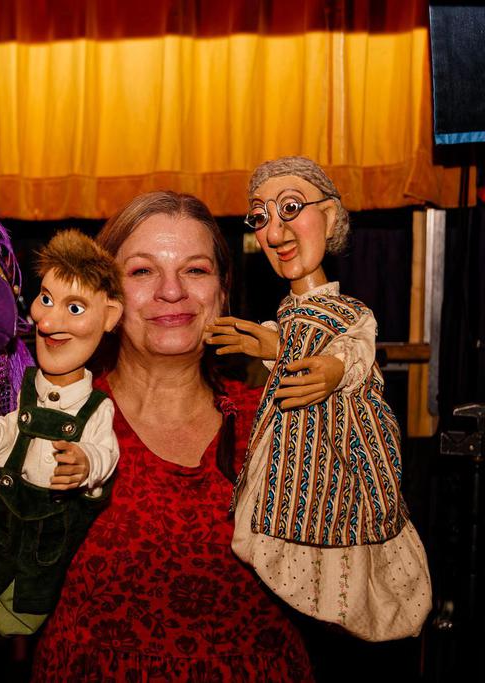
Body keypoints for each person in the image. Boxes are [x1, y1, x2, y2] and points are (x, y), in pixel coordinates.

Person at [32, 191, 314, 681]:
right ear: (104, 299)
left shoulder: (281, 419)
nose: (171, 291)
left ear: (222, 291)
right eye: (142, 271)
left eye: (196, 270)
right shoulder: (53, 418)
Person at [207, 156, 431, 641]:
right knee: (285, 513)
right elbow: (294, 343)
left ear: (329, 217)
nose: (275, 231)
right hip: (288, 451)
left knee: (335, 524)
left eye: (290, 208)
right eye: (261, 216)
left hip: (338, 452)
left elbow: (354, 348)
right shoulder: (289, 312)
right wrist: (272, 345)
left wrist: (334, 368)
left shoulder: (349, 312)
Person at [0, 229, 122, 634]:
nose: (47, 320)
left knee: (30, 594)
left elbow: (106, 454)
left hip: (44, 558)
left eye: (75, 308)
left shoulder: (97, 408)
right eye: (46, 299)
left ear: (109, 317)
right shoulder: (26, 386)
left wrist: (87, 463)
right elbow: (12, 439)